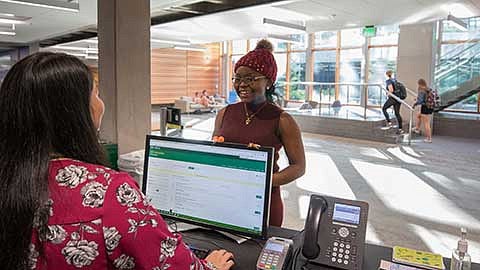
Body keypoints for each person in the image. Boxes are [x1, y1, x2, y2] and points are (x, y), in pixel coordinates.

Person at [0, 52, 234, 270]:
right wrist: (210, 266)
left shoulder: (8, 177)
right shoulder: (107, 192)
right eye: (96, 94)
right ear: (74, 112)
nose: (101, 104)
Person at [213, 39, 306, 227]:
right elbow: (214, 151)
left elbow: (298, 167)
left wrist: (263, 181)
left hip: (263, 203)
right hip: (227, 198)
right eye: (237, 78)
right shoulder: (225, 113)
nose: (241, 85)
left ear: (269, 82)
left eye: (250, 79)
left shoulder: (282, 119)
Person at [412, 78, 433, 143]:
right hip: (429, 107)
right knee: (419, 115)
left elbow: (420, 101)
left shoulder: (421, 90)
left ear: (419, 84)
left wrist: (415, 104)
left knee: (426, 123)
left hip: (425, 107)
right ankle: (417, 128)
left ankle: (429, 138)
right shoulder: (428, 89)